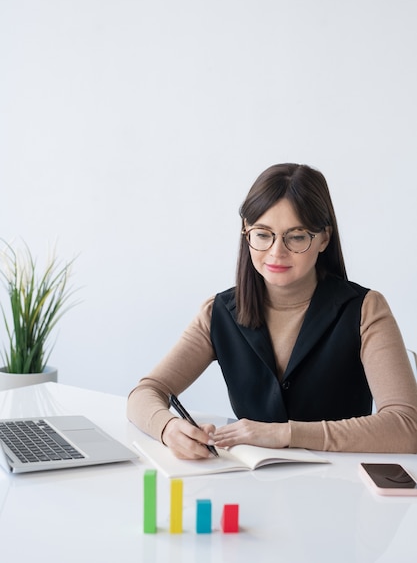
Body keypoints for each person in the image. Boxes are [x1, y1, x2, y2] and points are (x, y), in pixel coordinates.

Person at [127, 163, 417, 459]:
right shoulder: (218, 312)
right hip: (250, 490)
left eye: (296, 236)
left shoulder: (365, 309)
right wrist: (169, 429)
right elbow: (145, 393)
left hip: (344, 491)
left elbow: (408, 427)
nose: (277, 252)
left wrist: (285, 434)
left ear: (324, 239)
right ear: (246, 234)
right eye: (263, 235)